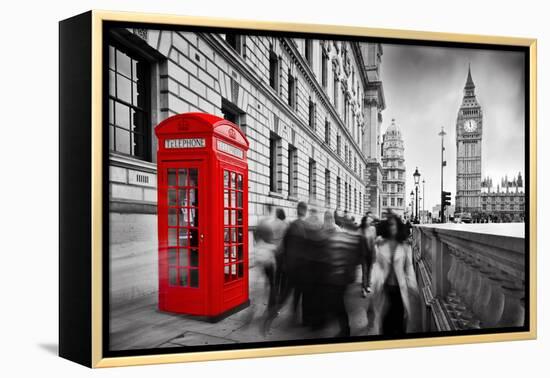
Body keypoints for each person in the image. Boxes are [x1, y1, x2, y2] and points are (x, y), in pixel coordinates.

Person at [369, 213, 421, 336]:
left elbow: (408, 268)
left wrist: (413, 286)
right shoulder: (381, 244)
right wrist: (374, 285)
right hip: (385, 289)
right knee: (385, 323)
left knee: (399, 323)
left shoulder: (404, 246)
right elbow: (376, 267)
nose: (391, 227)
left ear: (398, 226)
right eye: (389, 225)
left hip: (399, 290)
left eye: (393, 225)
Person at [319, 216, 368, 337]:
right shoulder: (351, 237)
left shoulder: (349, 238)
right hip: (341, 275)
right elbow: (360, 260)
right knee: (337, 300)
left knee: (337, 301)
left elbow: (359, 259)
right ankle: (343, 327)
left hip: (339, 276)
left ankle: (345, 329)